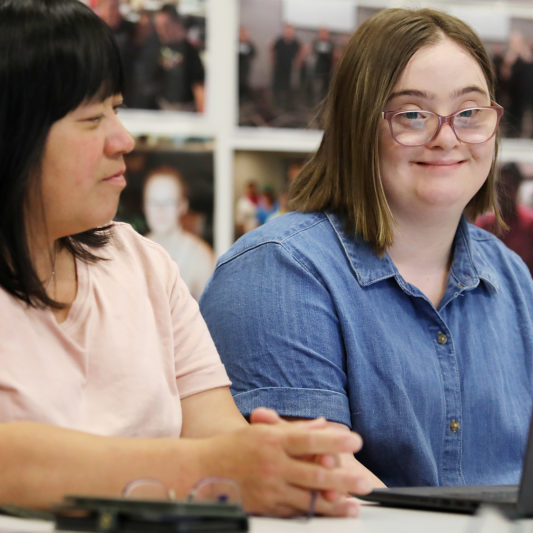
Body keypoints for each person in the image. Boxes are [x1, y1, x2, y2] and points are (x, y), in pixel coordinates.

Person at [0, 0, 370, 516]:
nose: (122, 140)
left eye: (118, 109)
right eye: (91, 119)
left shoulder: (142, 264)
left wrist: (291, 465)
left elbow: (216, 431)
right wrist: (211, 469)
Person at [200, 8, 533, 488]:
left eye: (469, 113)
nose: (447, 137)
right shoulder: (277, 271)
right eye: (411, 114)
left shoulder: (512, 279)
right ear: (358, 126)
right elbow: (319, 483)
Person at [142, 166, 216, 300]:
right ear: (144, 206)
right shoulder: (134, 253)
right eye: (153, 202)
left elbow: (212, 316)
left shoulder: (201, 257)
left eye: (168, 202)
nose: (160, 209)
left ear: (182, 205)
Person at [474, 163, 533, 283]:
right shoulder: (482, 226)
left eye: (508, 187)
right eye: (499, 187)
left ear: (517, 187)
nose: (503, 194)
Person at [152, 4, 205, 112]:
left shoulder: (189, 51)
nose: (161, 31)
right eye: (158, 26)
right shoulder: (156, 46)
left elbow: (199, 85)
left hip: (185, 110)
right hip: (162, 108)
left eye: (165, 26)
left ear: (176, 24)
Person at [271, 24, 301, 111]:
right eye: (287, 31)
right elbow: (272, 49)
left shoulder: (295, 42)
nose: (288, 33)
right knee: (277, 84)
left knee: (288, 86)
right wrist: (273, 61)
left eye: (290, 31)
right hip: (279, 66)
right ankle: (276, 103)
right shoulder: (279, 41)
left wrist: (298, 61)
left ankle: (287, 105)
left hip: (289, 68)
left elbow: (301, 50)